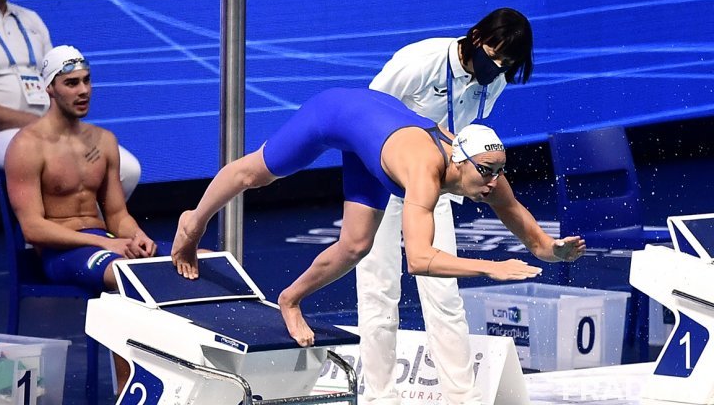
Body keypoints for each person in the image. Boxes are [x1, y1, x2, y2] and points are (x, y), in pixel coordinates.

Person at [171, 88, 585, 354]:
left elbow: (533, 238)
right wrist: (489, 268)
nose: (494, 182)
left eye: (499, 171)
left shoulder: (485, 169)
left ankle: (290, 299)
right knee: (254, 175)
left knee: (356, 245)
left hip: (375, 139)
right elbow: (419, 260)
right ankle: (193, 222)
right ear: (460, 162)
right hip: (334, 114)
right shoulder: (424, 173)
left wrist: (554, 250)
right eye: (487, 172)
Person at [357, 8, 533, 404]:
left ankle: (462, 397)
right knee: (379, 289)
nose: (499, 68)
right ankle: (378, 398)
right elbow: (367, 111)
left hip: (434, 183)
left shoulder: (495, 80)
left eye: (508, 63)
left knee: (444, 292)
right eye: (496, 56)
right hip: (380, 178)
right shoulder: (420, 63)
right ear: (476, 38)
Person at [3, 45, 160, 394]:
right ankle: (127, 390)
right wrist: (104, 242)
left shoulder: (104, 141)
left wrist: (137, 235)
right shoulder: (27, 146)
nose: (84, 90)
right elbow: (33, 228)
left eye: (87, 81)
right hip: (61, 253)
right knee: (127, 275)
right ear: (49, 88)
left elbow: (117, 214)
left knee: (196, 262)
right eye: (72, 83)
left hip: (105, 246)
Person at [0, 0, 141, 198]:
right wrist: (34, 123)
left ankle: (89, 220)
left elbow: (55, 81)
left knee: (127, 169)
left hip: (51, 128)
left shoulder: (31, 20)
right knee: (69, 165)